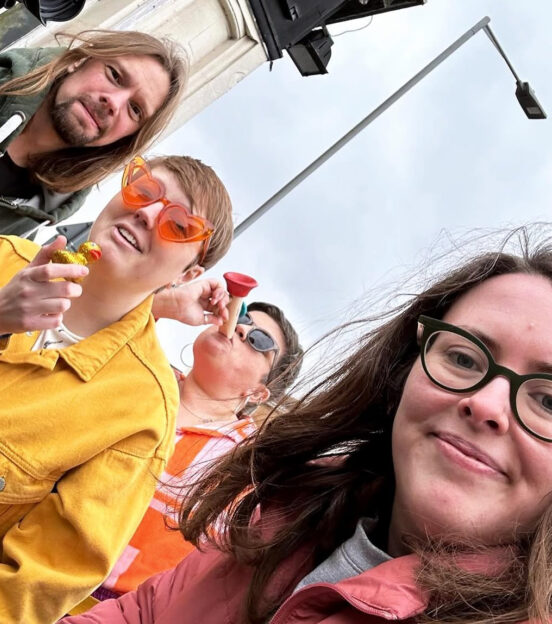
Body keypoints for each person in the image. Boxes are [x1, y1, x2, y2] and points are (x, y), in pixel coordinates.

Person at [65, 231, 552, 624]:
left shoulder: (249, 466)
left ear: (262, 393)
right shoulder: (287, 510)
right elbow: (146, 611)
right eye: (463, 357)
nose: (484, 404)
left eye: (548, 400)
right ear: (405, 369)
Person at [0, 154, 233, 624]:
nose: (147, 213)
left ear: (187, 276)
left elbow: (32, 585)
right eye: (143, 190)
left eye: (179, 226)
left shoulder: (141, 411)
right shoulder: (2, 259)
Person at [81, 301, 303, 605]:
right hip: (29, 561)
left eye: (259, 341)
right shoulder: (136, 375)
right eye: (242, 317)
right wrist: (164, 303)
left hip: (123, 610)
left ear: (258, 392)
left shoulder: (252, 466)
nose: (241, 328)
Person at [0, 26, 187, 264]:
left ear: (128, 138)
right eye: (115, 75)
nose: (114, 103)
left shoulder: (19, 236)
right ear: (80, 60)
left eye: (135, 110)